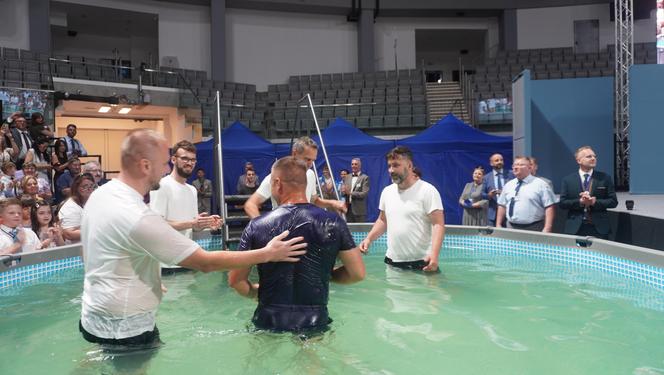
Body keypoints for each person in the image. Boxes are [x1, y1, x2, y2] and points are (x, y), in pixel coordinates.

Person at [79, 129, 306, 347]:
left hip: (93, 316)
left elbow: (96, 249)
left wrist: (149, 276)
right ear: (145, 165)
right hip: (127, 327)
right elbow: (205, 262)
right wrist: (267, 254)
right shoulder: (138, 215)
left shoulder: (102, 194)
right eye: (164, 162)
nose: (167, 167)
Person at [228, 156, 365, 332]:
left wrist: (256, 292)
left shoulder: (257, 225)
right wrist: (325, 275)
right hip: (314, 318)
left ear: (277, 183)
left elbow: (235, 280)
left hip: (269, 316)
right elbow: (357, 273)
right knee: (313, 358)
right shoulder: (333, 222)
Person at [360, 146, 445, 272]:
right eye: (389, 166)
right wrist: (369, 238)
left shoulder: (428, 191)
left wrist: (435, 256)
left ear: (410, 166)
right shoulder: (387, 192)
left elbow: (438, 224)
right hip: (391, 262)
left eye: (396, 165)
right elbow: (383, 220)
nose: (391, 170)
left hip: (421, 263)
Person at [244, 136, 347, 219]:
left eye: (313, 160)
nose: (310, 164)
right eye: (307, 159)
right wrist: (262, 229)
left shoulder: (310, 174)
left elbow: (314, 201)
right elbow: (250, 205)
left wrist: (333, 203)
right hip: (282, 233)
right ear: (294, 153)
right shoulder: (275, 177)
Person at [150, 140, 221, 241]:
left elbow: (193, 228)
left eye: (193, 160)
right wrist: (191, 223)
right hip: (165, 254)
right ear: (173, 159)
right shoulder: (161, 185)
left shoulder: (192, 190)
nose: (189, 163)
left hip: (186, 252)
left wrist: (205, 224)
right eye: (185, 159)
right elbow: (155, 225)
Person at [559, 146, 618, 239]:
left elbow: (613, 202)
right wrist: (580, 202)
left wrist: (594, 202)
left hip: (599, 228)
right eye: (589, 156)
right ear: (579, 160)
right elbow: (562, 203)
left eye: (594, 156)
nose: (593, 158)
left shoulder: (604, 178)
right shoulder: (568, 180)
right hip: (575, 229)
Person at [496, 156, 556, 232]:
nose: (516, 167)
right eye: (514, 165)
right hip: (511, 227)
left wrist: (547, 227)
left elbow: (549, 206)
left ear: (529, 168)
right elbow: (502, 205)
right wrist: (498, 224)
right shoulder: (508, 185)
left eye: (520, 165)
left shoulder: (541, 184)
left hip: (533, 228)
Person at [482, 153, 514, 226]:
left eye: (501, 160)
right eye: (497, 160)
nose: (499, 162)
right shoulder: (486, 178)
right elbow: (482, 194)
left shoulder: (511, 174)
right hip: (492, 214)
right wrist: (489, 195)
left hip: (508, 213)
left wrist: (504, 193)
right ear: (491, 163)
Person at [341, 157, 370, 223]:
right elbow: (343, 194)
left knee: (360, 231)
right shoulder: (347, 177)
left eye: (356, 164)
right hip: (348, 210)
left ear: (360, 166)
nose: (353, 166)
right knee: (349, 231)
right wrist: (343, 191)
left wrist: (350, 193)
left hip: (359, 211)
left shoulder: (365, 178)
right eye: (352, 164)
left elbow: (364, 194)